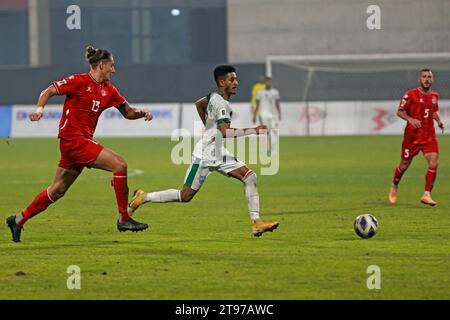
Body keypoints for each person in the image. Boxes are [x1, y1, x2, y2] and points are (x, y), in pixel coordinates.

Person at [6, 46, 152, 242]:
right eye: (111, 66)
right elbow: (48, 90)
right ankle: (124, 218)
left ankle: (18, 219)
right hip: (73, 140)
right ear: (101, 65)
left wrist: (143, 113)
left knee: (57, 190)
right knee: (120, 165)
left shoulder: (109, 90)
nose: (114, 70)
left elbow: (128, 112)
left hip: (79, 143)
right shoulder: (79, 81)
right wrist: (39, 110)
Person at [128, 65, 280, 237]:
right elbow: (225, 132)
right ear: (222, 82)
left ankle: (257, 223)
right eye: (232, 79)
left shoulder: (213, 96)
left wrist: (209, 127)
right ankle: (143, 197)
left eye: (236, 79)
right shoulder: (221, 104)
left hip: (218, 151)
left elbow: (199, 104)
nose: (236, 82)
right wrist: (254, 130)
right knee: (185, 195)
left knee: (250, 176)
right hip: (206, 155)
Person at [388, 69, 444, 206]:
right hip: (412, 137)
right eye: (424, 77)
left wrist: (438, 120)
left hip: (429, 136)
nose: (427, 79)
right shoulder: (410, 94)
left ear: (433, 80)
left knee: (434, 162)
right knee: (404, 165)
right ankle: (394, 185)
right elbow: (399, 111)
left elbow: (432, 111)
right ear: (419, 79)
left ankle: (427, 194)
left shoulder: (435, 95)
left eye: (429, 77)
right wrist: (410, 119)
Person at [253, 76, 281, 155]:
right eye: (266, 82)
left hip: (273, 115)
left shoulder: (275, 92)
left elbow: (277, 104)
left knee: (273, 131)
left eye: (269, 82)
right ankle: (267, 149)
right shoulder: (260, 92)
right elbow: (257, 105)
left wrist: (279, 113)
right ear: (265, 83)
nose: (268, 83)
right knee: (266, 132)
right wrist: (254, 115)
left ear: (271, 82)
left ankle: (272, 149)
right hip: (264, 114)